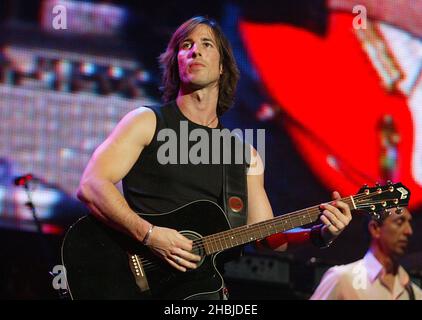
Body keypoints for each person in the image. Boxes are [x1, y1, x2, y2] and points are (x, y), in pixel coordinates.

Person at [76, 16, 352, 299]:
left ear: (222, 67)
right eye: (186, 45)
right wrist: (150, 235)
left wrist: (319, 234)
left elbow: (267, 239)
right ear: (177, 63)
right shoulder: (147, 122)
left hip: (204, 294)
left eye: (206, 44)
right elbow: (92, 185)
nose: (194, 50)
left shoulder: (245, 156)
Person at [310, 207, 422, 300]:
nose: (409, 231)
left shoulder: (415, 293)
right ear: (375, 228)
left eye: (409, 223)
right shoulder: (342, 278)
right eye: (399, 222)